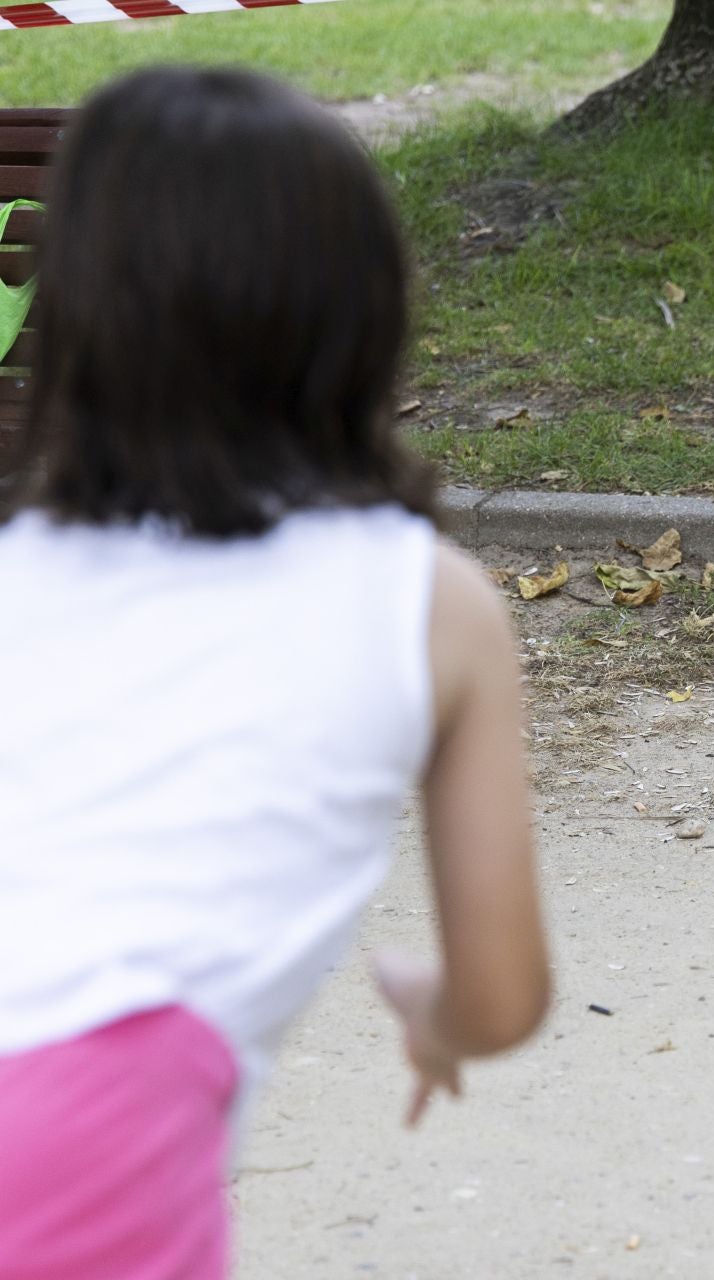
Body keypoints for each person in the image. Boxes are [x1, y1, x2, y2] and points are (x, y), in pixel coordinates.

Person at [0, 67, 550, 1279]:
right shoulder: (428, 603)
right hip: (78, 1140)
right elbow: (503, 991)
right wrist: (431, 1005)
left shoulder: (17, 569)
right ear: (364, 311)